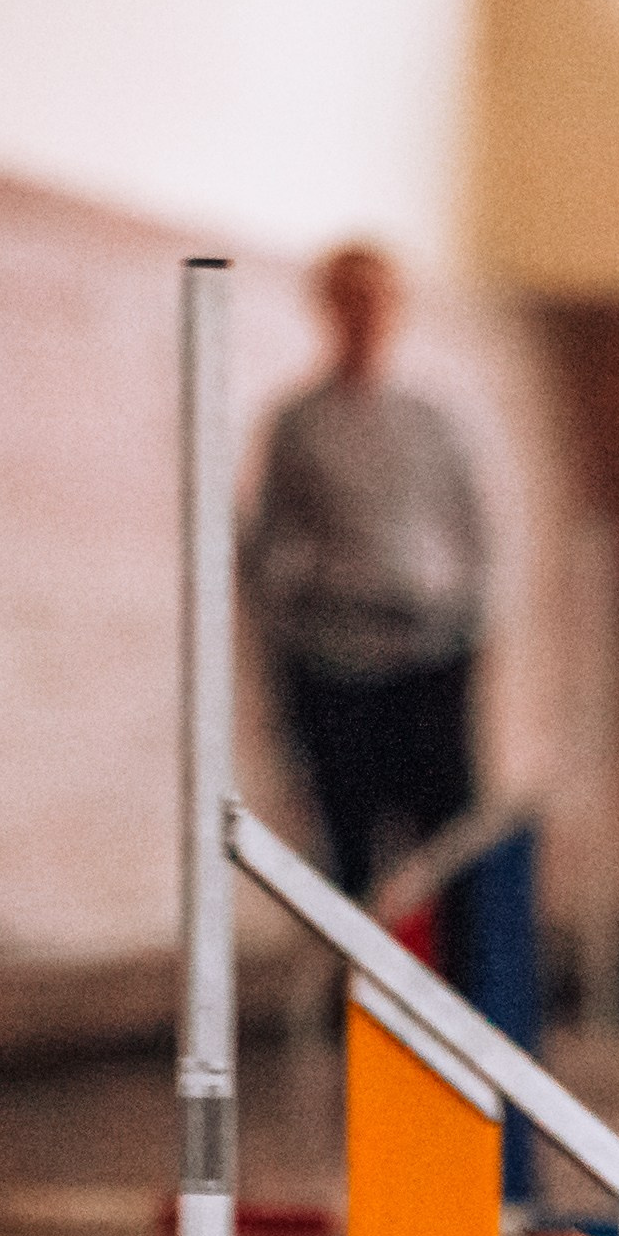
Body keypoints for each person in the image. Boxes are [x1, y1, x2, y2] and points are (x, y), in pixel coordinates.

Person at [245, 245, 489, 901]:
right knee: (350, 844)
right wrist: (291, 640)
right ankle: (359, 1000)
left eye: (376, 299)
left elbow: (475, 538)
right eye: (349, 300)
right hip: (334, 660)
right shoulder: (299, 424)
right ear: (328, 310)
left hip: (429, 653)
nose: (364, 315)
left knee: (449, 846)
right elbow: (266, 547)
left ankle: (449, 999)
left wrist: (465, 625)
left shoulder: (430, 421)